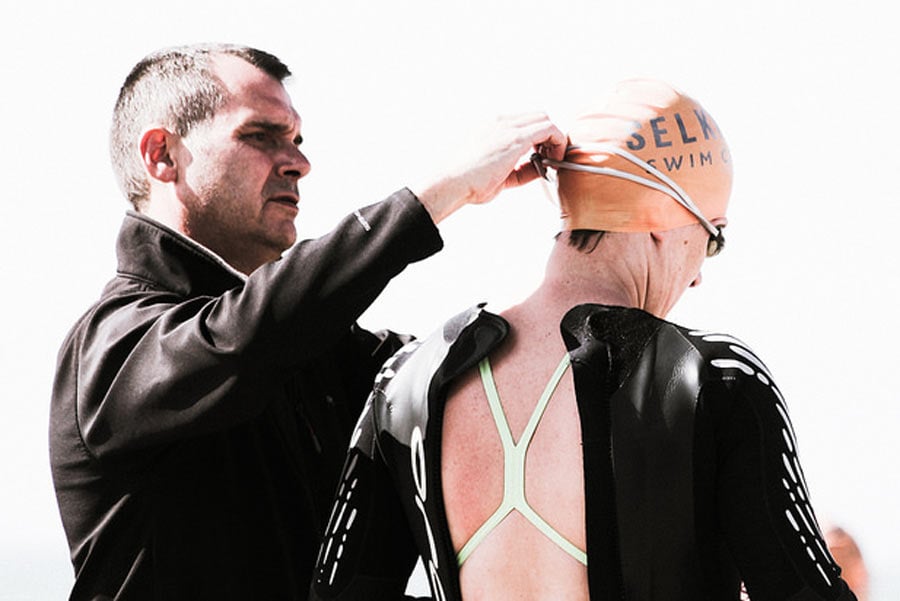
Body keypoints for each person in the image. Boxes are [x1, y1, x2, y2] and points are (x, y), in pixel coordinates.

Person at [48, 42, 565, 600]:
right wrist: (440, 193)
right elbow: (248, 336)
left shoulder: (310, 349)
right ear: (162, 156)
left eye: (295, 140)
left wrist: (613, 248)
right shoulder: (114, 346)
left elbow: (459, 375)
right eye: (260, 136)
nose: (298, 161)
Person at [310, 78, 858, 600]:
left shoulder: (406, 379)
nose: (697, 276)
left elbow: (338, 590)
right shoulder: (711, 377)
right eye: (711, 237)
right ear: (661, 218)